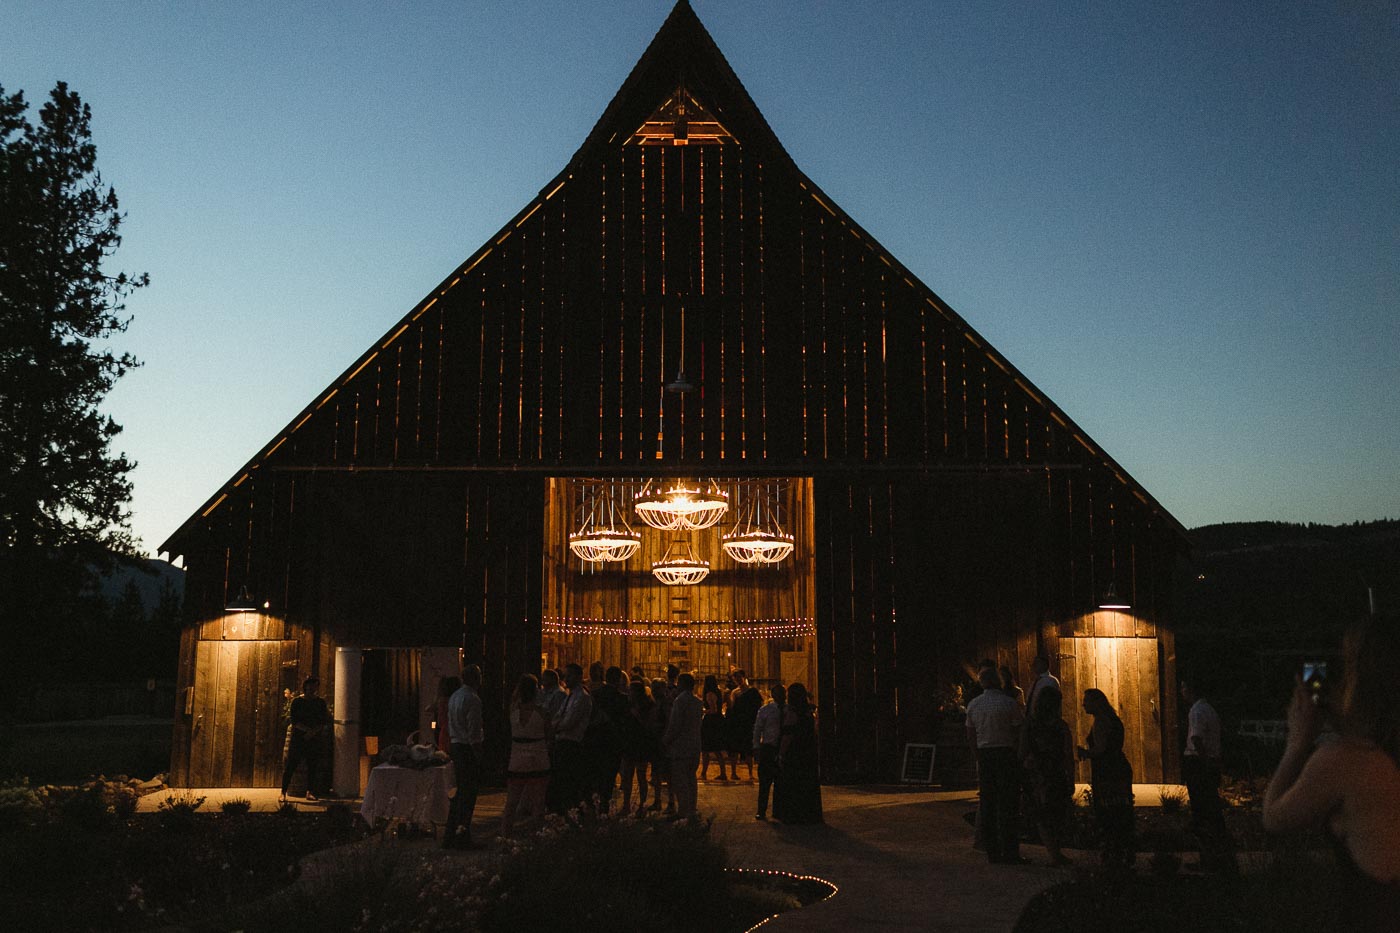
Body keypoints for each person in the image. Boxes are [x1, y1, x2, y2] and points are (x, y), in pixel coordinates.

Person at [1263, 613, 1400, 931]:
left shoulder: (1345, 761)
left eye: (1346, 665)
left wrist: (1298, 742)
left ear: (1359, 678)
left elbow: (1274, 817)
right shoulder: (1380, 757)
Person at [965, 667, 1024, 863]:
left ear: (981, 683)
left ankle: (993, 851)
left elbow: (971, 735)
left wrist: (977, 756)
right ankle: (1010, 850)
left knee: (988, 803)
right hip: (1006, 753)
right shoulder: (1009, 703)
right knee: (1008, 803)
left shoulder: (974, 704)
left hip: (985, 754)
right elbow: (1018, 731)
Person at [1179, 674, 1236, 873]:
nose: (1182, 692)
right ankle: (1215, 857)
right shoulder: (1208, 708)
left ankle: (1209, 859)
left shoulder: (1197, 710)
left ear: (1192, 689)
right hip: (1207, 762)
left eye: (1184, 687)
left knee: (1202, 812)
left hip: (1198, 764)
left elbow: (1196, 739)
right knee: (1210, 812)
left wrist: (1204, 763)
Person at [1077, 688, 1135, 871]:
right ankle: (1125, 851)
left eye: (1086, 700)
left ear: (1096, 702)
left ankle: (1113, 853)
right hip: (1118, 767)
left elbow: (1101, 749)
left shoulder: (1101, 721)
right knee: (1122, 810)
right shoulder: (1113, 720)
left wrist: (1085, 753)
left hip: (1108, 771)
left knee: (1109, 812)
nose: (1083, 704)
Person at [1019, 684, 1074, 866]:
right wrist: (1071, 777)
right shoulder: (1061, 726)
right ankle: (1055, 853)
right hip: (1054, 771)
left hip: (1038, 774)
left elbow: (1022, 751)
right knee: (1056, 812)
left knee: (1042, 814)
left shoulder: (1031, 725)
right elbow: (1068, 754)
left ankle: (1053, 852)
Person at [500, 673, 551, 836]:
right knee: (538, 802)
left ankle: (506, 833)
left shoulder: (513, 709)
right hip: (538, 757)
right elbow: (550, 734)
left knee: (512, 801)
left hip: (517, 758)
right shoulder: (542, 712)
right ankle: (537, 835)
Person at [443, 664, 485, 849]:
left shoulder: (455, 696)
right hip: (467, 748)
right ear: (477, 678)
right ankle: (462, 835)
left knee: (459, 794)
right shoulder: (473, 699)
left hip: (455, 745)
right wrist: (478, 753)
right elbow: (473, 729)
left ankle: (450, 834)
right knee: (468, 794)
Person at [772, 682, 823, 824]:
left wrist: (781, 754)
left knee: (793, 783)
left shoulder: (792, 713)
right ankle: (808, 814)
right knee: (806, 783)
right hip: (807, 751)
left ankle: (793, 814)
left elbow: (788, 736)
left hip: (794, 753)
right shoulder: (808, 712)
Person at [550, 662, 592, 814]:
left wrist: (556, 726)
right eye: (565, 676)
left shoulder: (582, 697)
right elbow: (558, 716)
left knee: (569, 781)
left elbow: (569, 722)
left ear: (579, 677)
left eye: (569, 676)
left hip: (572, 743)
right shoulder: (570, 695)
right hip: (562, 741)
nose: (566, 679)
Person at [281, 676, 330, 802]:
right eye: (310, 686)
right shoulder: (297, 701)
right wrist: (307, 730)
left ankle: (310, 791)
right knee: (291, 765)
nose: (312, 688)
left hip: (314, 739)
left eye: (315, 686)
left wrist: (314, 731)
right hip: (299, 738)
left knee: (312, 766)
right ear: (306, 687)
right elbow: (294, 720)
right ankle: (283, 792)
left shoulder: (320, 702)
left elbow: (323, 720)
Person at [663, 672, 704, 819]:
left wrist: (666, 740)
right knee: (691, 779)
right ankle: (692, 808)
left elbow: (675, 725)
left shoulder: (680, 701)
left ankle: (683, 810)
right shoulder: (698, 702)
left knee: (680, 780)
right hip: (694, 744)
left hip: (681, 746)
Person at [619, 679, 654, 814]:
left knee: (641, 776)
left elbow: (649, 724)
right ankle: (626, 804)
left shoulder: (647, 706)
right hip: (630, 742)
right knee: (627, 776)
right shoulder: (627, 705)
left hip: (640, 742)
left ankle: (642, 805)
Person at [753, 683, 785, 820]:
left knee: (781, 782)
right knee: (765, 782)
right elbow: (758, 729)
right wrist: (756, 747)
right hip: (769, 747)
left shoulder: (788, 710)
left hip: (781, 747)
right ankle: (762, 810)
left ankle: (778, 810)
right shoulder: (765, 710)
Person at [728, 670, 762, 781]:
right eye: (735, 678)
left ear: (743, 677)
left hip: (748, 723)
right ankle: (733, 772)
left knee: (748, 750)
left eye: (738, 677)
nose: (737, 680)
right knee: (735, 749)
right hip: (737, 724)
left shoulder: (752, 691)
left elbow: (758, 706)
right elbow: (732, 707)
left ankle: (751, 773)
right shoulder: (735, 692)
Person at [648, 677, 676, 814]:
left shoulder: (665, 703)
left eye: (655, 689)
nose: (653, 691)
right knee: (656, 773)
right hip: (656, 741)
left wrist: (665, 739)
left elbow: (669, 721)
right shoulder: (656, 702)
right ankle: (657, 801)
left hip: (663, 742)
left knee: (668, 774)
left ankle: (671, 802)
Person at [700, 674, 730, 781]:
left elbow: (713, 710)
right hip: (718, 721)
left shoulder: (709, 694)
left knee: (706, 749)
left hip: (710, 722)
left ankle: (703, 773)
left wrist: (703, 710)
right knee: (717, 749)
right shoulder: (718, 692)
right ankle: (723, 773)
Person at [430, 675, 460, 754]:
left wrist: (433, 728)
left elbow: (436, 721)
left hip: (444, 733)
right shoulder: (458, 700)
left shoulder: (441, 701)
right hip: (457, 735)